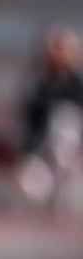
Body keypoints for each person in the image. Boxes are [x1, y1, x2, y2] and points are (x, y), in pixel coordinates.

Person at [16, 23, 83, 216]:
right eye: (54, 47)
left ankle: (64, 190)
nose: (58, 53)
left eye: (62, 47)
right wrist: (26, 155)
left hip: (70, 150)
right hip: (41, 151)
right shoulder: (38, 84)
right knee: (32, 187)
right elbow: (29, 123)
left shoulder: (78, 85)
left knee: (64, 119)